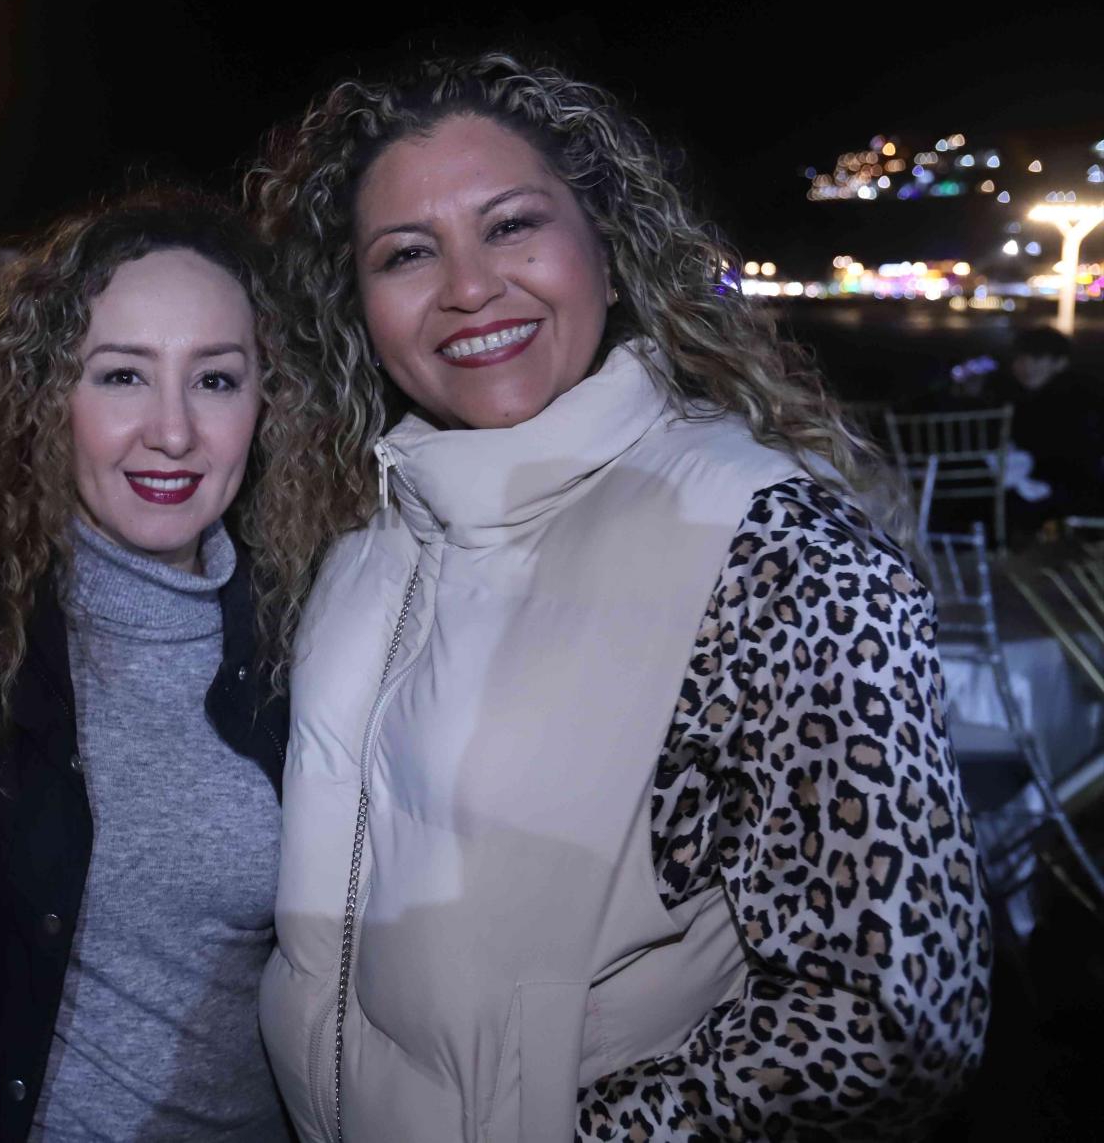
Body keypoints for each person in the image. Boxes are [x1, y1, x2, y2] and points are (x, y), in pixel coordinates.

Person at [249, 55, 993, 1142]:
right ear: (357, 306)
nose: (467, 287)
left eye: (511, 226)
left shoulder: (767, 547)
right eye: (406, 252)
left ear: (606, 247)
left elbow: (892, 1015)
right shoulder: (369, 532)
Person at [0, 192, 362, 1140]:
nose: (172, 431)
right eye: (123, 376)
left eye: (214, 379)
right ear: (49, 395)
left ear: (268, 402)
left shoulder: (314, 638)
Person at [1000, 325, 1102, 535]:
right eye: (1020, 359)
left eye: (1036, 359)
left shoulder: (1065, 400)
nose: (1026, 366)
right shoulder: (1026, 398)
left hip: (1074, 494)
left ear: (1060, 363)